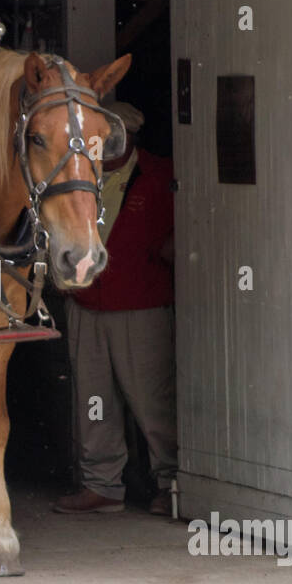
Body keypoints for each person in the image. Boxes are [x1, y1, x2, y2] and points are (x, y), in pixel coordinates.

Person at [55, 101, 178, 516]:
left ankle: (171, 484)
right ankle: (102, 486)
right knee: (94, 401)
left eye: (113, 136)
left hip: (140, 304)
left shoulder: (162, 174)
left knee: (153, 400)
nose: (105, 143)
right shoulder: (74, 173)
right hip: (86, 302)